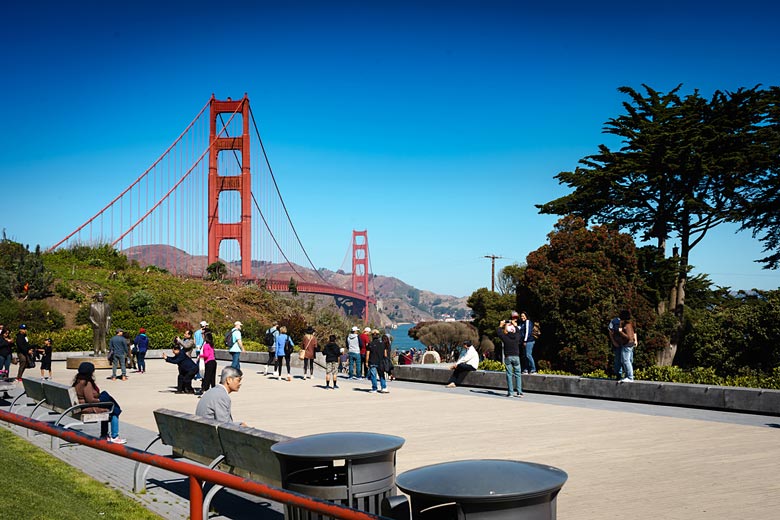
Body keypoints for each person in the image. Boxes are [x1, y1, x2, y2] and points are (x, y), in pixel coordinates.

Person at [73, 361, 126, 444]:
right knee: (114, 410)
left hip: (82, 406)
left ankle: (104, 435)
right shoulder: (87, 383)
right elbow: (90, 400)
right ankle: (114, 436)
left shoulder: (78, 381)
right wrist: (100, 400)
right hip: (88, 407)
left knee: (109, 403)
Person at [496, 320, 523, 397]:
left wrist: (501, 325)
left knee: (509, 375)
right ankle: (519, 392)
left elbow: (499, 332)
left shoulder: (505, 337)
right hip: (516, 356)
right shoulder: (517, 337)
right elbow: (519, 332)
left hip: (508, 356)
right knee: (518, 374)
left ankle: (510, 392)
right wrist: (515, 325)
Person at [365, 329, 389, 394]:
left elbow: (367, 354)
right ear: (378, 335)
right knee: (381, 375)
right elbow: (385, 354)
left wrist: (366, 362)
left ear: (372, 336)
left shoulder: (370, 344)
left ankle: (374, 388)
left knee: (373, 376)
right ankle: (384, 387)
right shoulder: (383, 344)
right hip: (381, 362)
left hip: (372, 361)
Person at [617, 310, 636, 382]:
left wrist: (621, 332)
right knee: (628, 360)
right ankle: (627, 376)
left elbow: (628, 337)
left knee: (626, 360)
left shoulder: (627, 325)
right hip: (630, 344)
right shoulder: (629, 324)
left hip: (627, 345)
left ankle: (630, 377)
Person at [607, 315, 624, 380]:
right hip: (618, 344)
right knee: (618, 359)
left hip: (626, 344)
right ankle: (618, 375)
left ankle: (627, 375)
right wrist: (614, 342)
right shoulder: (614, 321)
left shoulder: (628, 321)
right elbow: (610, 331)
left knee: (627, 360)